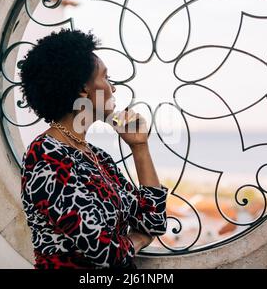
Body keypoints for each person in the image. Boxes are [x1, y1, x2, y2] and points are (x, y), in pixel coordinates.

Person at [19, 29, 168, 269]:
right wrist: (137, 239)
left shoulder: (97, 157)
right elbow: (105, 251)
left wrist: (140, 147)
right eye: (106, 77)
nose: (114, 88)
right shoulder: (45, 157)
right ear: (82, 89)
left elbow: (153, 220)